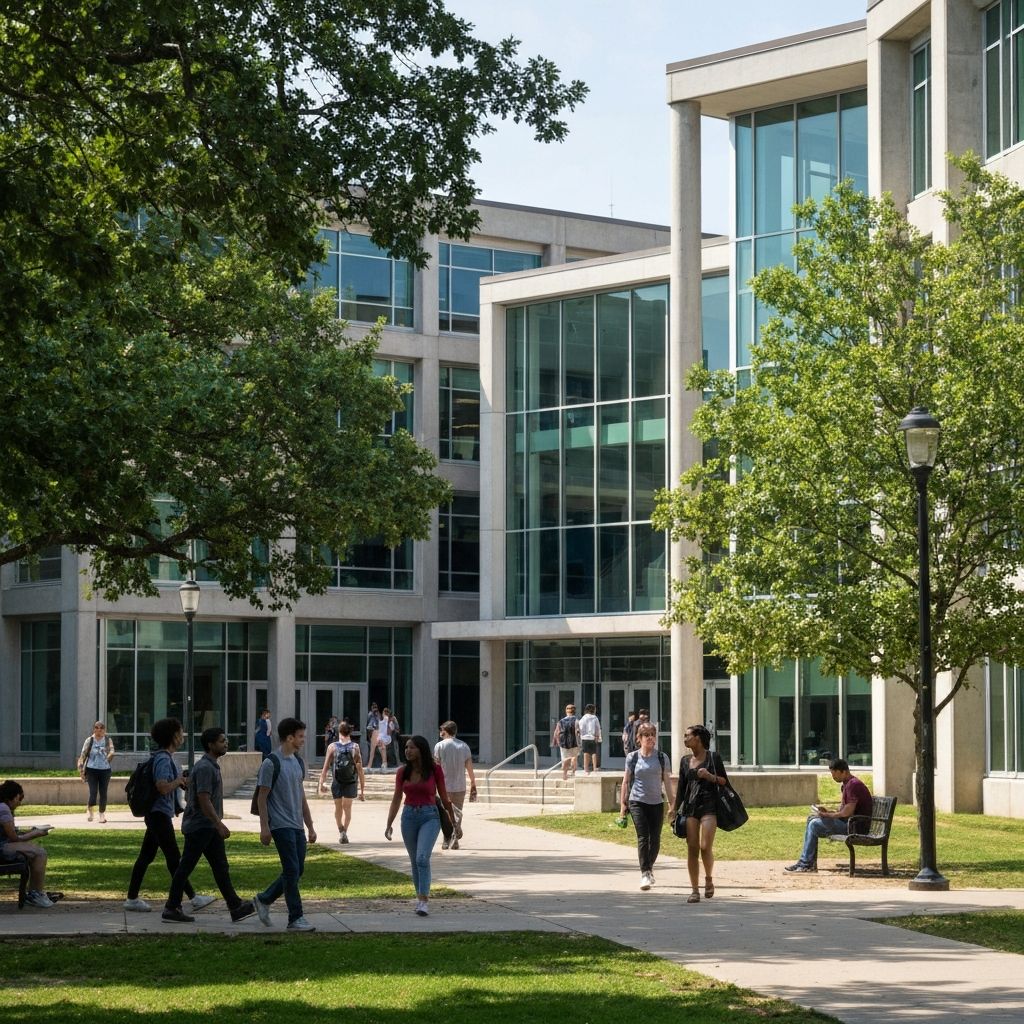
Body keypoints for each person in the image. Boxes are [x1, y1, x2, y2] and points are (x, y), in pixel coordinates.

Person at [162, 727, 256, 924]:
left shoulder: (211, 766)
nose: (226, 743)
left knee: (220, 867)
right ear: (211, 745)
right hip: (200, 826)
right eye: (222, 741)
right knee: (186, 867)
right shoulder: (205, 768)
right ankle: (171, 907)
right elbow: (203, 800)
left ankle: (235, 906)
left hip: (207, 826)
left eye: (225, 740)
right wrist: (218, 823)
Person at [124, 717, 215, 913]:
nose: (182, 736)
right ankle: (193, 898)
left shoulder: (161, 756)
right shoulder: (164, 758)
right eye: (180, 732)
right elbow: (162, 787)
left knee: (146, 856)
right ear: (174, 736)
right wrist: (178, 780)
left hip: (156, 814)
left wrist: (179, 781)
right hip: (158, 814)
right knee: (174, 858)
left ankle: (132, 898)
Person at [253, 716, 318, 932]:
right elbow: (262, 797)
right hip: (280, 825)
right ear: (289, 738)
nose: (303, 740)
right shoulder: (271, 763)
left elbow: (301, 797)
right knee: (291, 869)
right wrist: (265, 827)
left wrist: (310, 825)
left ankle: (264, 899)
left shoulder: (298, 762)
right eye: (300, 736)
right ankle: (295, 918)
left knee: (296, 871)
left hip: (297, 825)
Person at [385, 735, 454, 917]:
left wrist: (454, 822)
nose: (407, 750)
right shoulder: (402, 772)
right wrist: (389, 823)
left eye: (412, 747)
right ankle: (419, 898)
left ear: (421, 750)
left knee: (422, 858)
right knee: (415, 861)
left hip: (429, 816)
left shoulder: (434, 770)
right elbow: (397, 798)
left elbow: (445, 798)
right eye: (406, 747)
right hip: (408, 817)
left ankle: (424, 901)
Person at [671, 723, 728, 904]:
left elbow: (724, 781)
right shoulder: (684, 760)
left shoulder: (713, 758)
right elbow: (681, 787)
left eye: (688, 735)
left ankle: (708, 879)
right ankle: (694, 890)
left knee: (705, 847)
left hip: (709, 806)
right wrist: (673, 808)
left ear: (698, 738)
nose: (685, 738)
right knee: (692, 848)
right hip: (690, 808)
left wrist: (709, 776)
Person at [785, 758, 873, 873]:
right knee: (811, 818)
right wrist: (828, 812)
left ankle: (806, 863)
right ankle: (806, 862)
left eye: (834, 774)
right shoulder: (847, 784)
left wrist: (826, 815)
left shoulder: (853, 785)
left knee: (814, 824)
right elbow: (843, 811)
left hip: (855, 827)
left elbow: (847, 813)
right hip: (849, 823)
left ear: (843, 771)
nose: (833, 777)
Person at [619, 722, 674, 890]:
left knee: (655, 840)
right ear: (639, 738)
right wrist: (623, 807)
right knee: (643, 837)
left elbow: (667, 782)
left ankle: (649, 868)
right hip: (637, 801)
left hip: (657, 802)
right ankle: (645, 873)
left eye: (652, 734)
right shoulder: (633, 757)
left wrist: (673, 805)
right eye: (646, 735)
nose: (650, 737)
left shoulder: (662, 757)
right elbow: (626, 782)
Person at [0, 780, 55, 908]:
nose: (20, 803)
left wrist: (29, 832)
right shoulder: (3, 808)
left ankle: (35, 893)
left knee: (34, 851)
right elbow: (14, 838)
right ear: (12, 797)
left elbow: (10, 833)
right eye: (19, 798)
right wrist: (35, 834)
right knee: (39, 852)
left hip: (3, 843)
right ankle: (35, 894)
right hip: (1, 847)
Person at [318, 721, 365, 844]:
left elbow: (325, 767)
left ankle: (340, 830)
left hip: (337, 782)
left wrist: (321, 783)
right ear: (350, 732)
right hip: (351, 782)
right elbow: (360, 769)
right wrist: (362, 790)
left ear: (339, 732)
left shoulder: (332, 747)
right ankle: (345, 831)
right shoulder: (355, 747)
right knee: (347, 809)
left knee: (338, 808)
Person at [433, 721, 477, 850]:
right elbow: (469, 767)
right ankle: (455, 838)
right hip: (459, 786)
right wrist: (473, 783)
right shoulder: (464, 746)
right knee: (457, 813)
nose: (440, 732)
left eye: (441, 729)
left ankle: (447, 839)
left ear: (446, 731)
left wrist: (434, 783)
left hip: (444, 787)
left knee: (445, 814)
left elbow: (437, 767)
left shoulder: (439, 746)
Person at [77, 721, 115, 822]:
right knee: (93, 792)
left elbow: (112, 750)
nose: (99, 730)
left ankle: (101, 815)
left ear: (104, 729)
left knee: (103, 793)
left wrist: (110, 755)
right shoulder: (89, 740)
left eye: (101, 728)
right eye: (96, 727)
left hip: (105, 770)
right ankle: (90, 812)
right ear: (94, 729)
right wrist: (81, 770)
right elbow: (83, 755)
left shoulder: (108, 740)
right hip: (91, 770)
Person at [553, 703, 580, 780]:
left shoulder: (561, 721)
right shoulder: (577, 721)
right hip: (574, 742)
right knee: (574, 757)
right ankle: (574, 772)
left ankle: (564, 775)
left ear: (566, 711)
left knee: (565, 759)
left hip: (564, 743)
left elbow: (556, 732)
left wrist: (556, 742)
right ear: (574, 711)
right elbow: (578, 732)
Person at [367, 706, 396, 773]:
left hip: (386, 737)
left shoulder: (388, 720)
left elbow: (390, 731)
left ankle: (383, 763)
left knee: (380, 742)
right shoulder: (375, 719)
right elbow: (371, 728)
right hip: (379, 736)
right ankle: (371, 764)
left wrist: (389, 723)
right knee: (376, 741)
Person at [578, 704, 603, 774]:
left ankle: (586, 768)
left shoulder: (584, 718)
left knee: (586, 753)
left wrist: (581, 734)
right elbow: (598, 728)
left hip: (585, 738)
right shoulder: (595, 718)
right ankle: (595, 767)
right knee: (594, 752)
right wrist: (598, 736)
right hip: (593, 737)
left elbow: (581, 727)